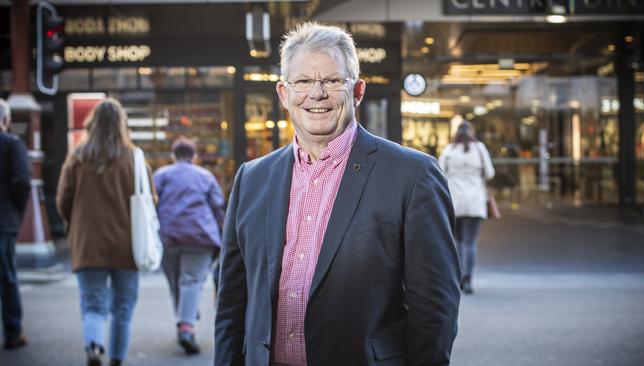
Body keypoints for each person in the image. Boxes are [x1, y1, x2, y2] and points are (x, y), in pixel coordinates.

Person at [214, 22, 460, 366]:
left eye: (332, 81)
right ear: (284, 94)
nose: (317, 94)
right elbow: (231, 304)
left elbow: (435, 310)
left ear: (357, 91)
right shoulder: (251, 179)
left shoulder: (413, 176)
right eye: (303, 81)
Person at [56, 98, 155, 366]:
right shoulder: (134, 158)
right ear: (121, 124)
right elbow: (151, 200)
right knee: (122, 307)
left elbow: (62, 200)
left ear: (92, 123)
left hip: (87, 244)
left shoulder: (77, 156)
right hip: (128, 245)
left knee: (92, 303)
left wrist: (73, 224)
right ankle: (116, 359)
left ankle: (94, 346)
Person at [154, 136, 225, 355]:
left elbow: (151, 203)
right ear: (194, 156)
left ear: (173, 156)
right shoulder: (206, 176)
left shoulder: (161, 175)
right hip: (200, 237)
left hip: (169, 236)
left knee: (177, 282)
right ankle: (186, 325)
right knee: (191, 281)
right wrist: (224, 234)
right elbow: (218, 207)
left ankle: (185, 325)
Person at [439, 121, 495, 295]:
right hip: (475, 202)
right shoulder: (479, 149)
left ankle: (457, 277)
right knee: (470, 242)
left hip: (455, 203)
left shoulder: (449, 150)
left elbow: (438, 173)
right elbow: (490, 173)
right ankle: (468, 279)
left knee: (457, 241)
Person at [0, 99, 31, 350]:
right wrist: (16, 210)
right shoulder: (12, 144)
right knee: (7, 277)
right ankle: (12, 331)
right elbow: (22, 181)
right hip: (4, 220)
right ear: (6, 120)